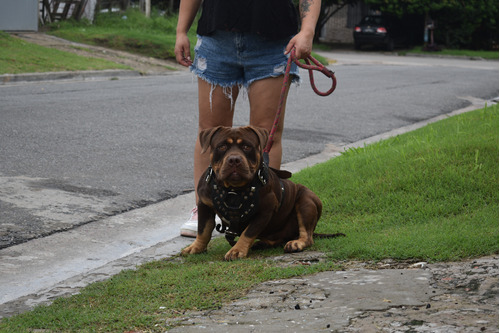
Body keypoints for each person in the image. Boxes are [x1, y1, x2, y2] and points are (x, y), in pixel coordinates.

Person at [175, 0, 321, 237]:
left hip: (274, 41)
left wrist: (307, 30)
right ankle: (204, 209)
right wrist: (181, 31)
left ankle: (261, 212)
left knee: (266, 134)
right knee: (210, 131)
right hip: (216, 38)